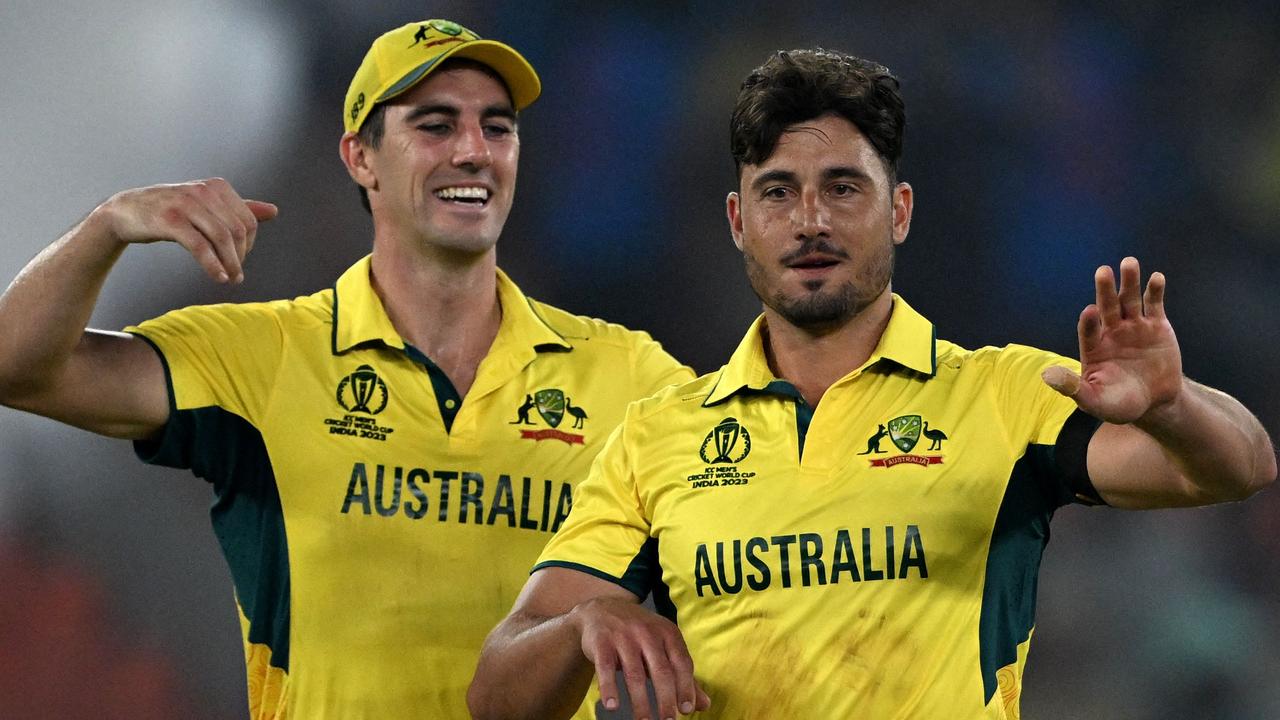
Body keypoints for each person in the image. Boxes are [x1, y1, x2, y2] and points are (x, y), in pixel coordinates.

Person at [466, 48, 1277, 720]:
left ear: (901, 211)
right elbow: (497, 695)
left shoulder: (1000, 396)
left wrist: (1172, 406)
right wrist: (584, 622)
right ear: (738, 221)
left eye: (844, 187)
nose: (810, 219)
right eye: (778, 191)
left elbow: (1241, 465)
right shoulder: (657, 437)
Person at [0, 18, 691, 719]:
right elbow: (16, 368)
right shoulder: (266, 358)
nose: (474, 151)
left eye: (497, 128)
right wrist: (107, 226)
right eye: (436, 126)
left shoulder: (623, 373)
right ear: (361, 159)